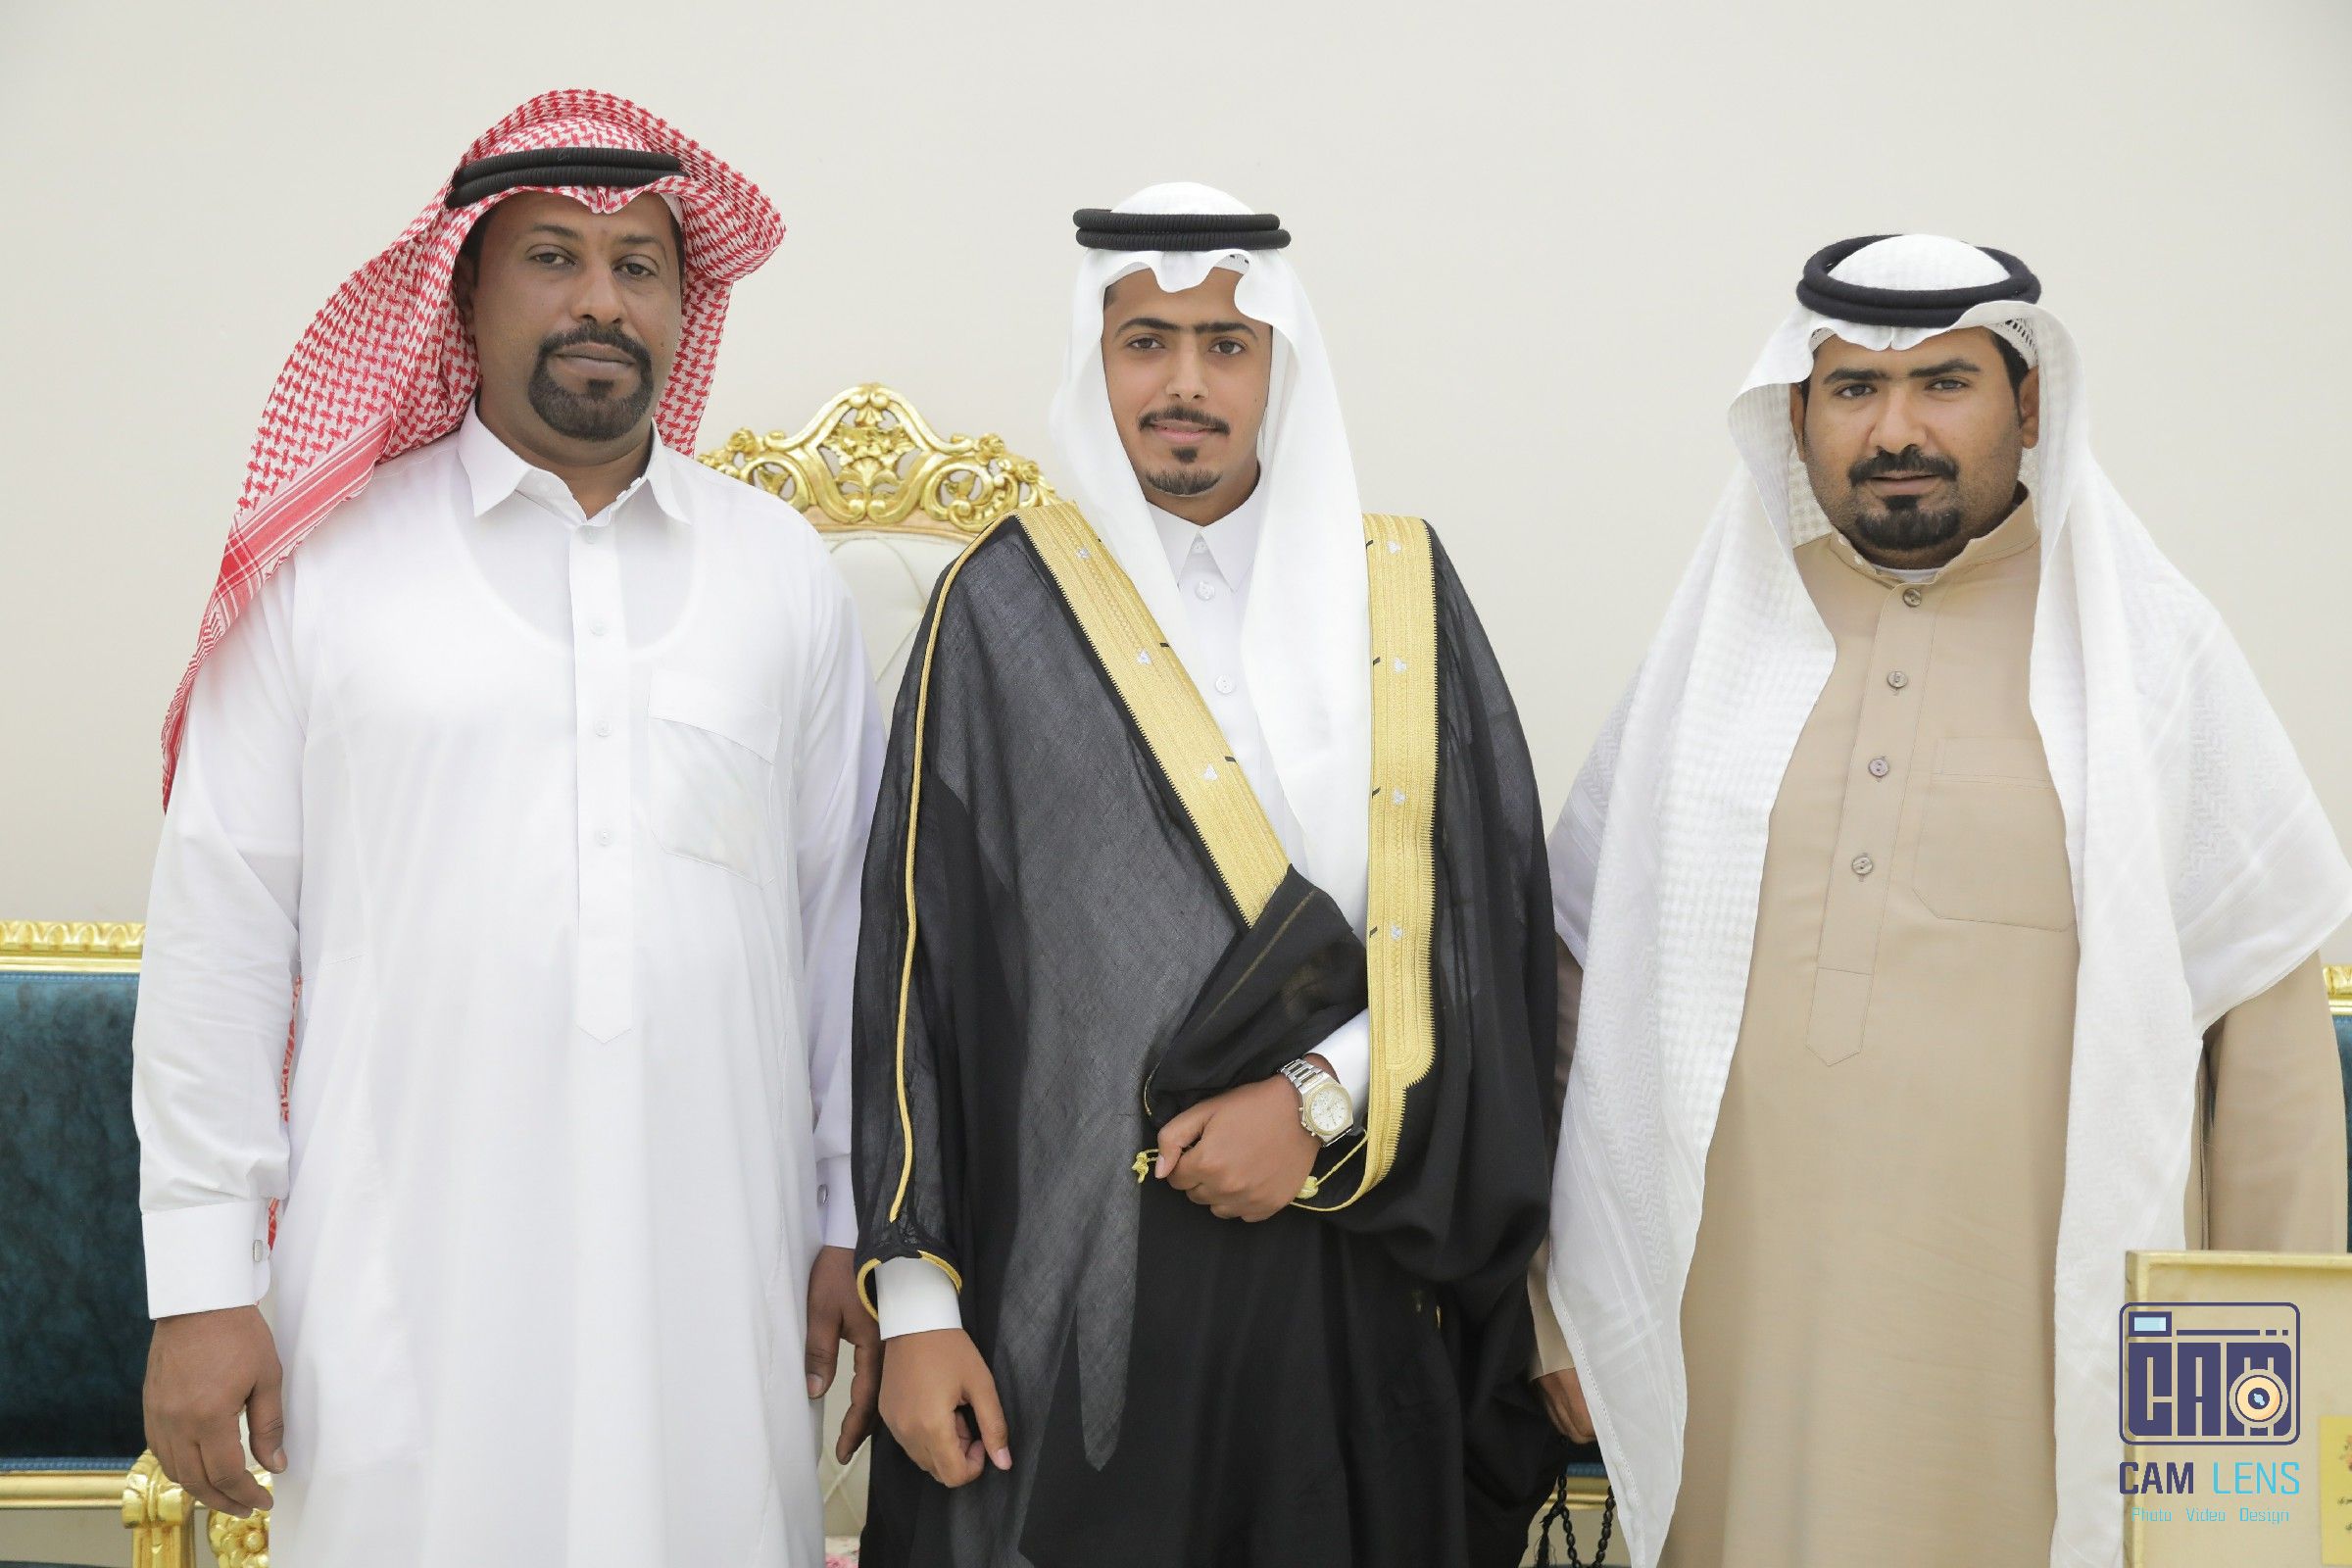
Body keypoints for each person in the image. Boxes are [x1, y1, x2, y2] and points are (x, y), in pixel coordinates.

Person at [131, 89, 882, 1566]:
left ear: (684, 304)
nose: (602, 299)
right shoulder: (328, 569)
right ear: (464, 289)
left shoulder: (778, 574)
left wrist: (852, 1219)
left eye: (640, 264)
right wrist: (202, 1283)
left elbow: (845, 933)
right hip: (404, 1273)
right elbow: (222, 925)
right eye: (553, 256)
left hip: (714, 1268)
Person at [1541, 233, 2352, 1567]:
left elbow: (2270, 1074)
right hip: (1735, 1366)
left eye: (1946, 383)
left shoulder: (2149, 657)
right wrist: (1565, 1311)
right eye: (1854, 388)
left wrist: (2241, 1445)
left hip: (2037, 1387)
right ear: (1795, 418)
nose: (1895, 430)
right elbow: (1578, 999)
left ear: (2028, 406)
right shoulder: (1715, 651)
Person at [850, 185, 1564, 1567]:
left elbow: (1483, 935)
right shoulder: (999, 608)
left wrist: (1313, 1100)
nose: (1185, 383)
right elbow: (912, 976)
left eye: (1226, 345)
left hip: (1351, 1263)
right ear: (1096, 360)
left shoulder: (1401, 593)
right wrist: (919, 1311)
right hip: (1072, 1275)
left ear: (1279, 363)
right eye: (1147, 342)